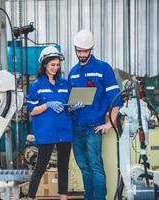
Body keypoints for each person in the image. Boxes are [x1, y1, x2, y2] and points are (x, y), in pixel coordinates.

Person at [68, 29, 122, 200]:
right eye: (78, 51)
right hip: (76, 127)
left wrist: (109, 123)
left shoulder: (103, 69)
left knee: (95, 166)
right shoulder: (73, 72)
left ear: (92, 49)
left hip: (94, 127)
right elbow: (68, 100)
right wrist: (70, 107)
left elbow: (116, 100)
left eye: (85, 51)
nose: (81, 54)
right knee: (83, 166)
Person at [26, 46, 82, 200]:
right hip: (46, 133)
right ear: (44, 64)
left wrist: (73, 107)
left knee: (63, 167)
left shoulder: (64, 84)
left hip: (64, 130)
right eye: (52, 65)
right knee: (40, 167)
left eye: (57, 65)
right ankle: (30, 197)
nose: (55, 68)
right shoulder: (37, 85)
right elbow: (32, 110)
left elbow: (68, 106)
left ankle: (63, 197)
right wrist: (47, 105)